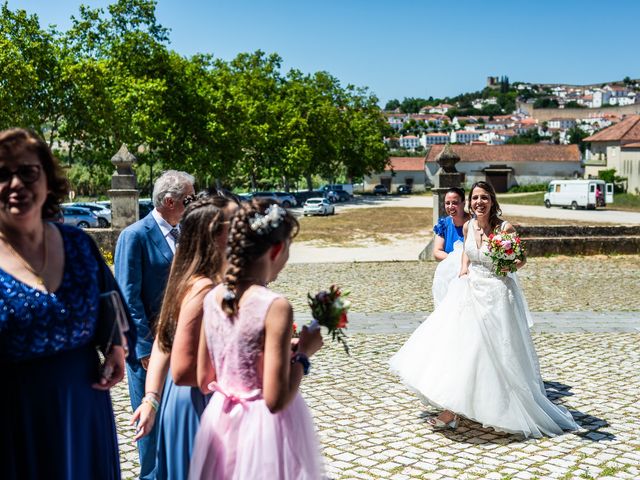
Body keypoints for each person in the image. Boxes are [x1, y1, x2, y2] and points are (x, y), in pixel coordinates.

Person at [390, 181, 578, 439]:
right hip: (468, 293)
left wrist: (503, 267)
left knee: (496, 354)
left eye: (484, 198)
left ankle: (500, 408)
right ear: (470, 202)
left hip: (497, 296)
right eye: (475, 198)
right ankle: (452, 410)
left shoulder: (505, 228)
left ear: (492, 201)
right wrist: (464, 269)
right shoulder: (468, 226)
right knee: (462, 351)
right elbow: (468, 252)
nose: (479, 202)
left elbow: (520, 260)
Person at [0, 128, 132, 479]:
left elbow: (108, 298)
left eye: (27, 172)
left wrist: (115, 347)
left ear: (47, 179)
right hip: (16, 421)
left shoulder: (78, 244)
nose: (16, 183)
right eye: (2, 174)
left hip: (84, 407)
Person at [189, 200, 325, 479]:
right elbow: (275, 399)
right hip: (264, 430)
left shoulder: (213, 297)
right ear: (276, 249)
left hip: (221, 420)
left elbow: (204, 379)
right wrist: (303, 355)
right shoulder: (274, 305)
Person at [131, 193, 238, 480]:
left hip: (193, 399)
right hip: (198, 402)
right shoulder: (202, 289)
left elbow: (163, 340)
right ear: (213, 235)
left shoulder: (195, 279)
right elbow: (179, 370)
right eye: (235, 222)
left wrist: (151, 398)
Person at [115, 169, 195, 479]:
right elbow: (127, 297)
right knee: (150, 429)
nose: (195, 202)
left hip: (183, 345)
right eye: (190, 198)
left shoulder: (187, 233)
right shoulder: (135, 236)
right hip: (150, 353)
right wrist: (145, 349)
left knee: (176, 427)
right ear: (170, 200)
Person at [431, 187, 470, 306]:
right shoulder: (443, 224)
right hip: (450, 273)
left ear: (464, 203)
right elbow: (437, 251)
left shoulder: (474, 222)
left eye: (455, 203)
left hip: (470, 271)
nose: (450, 206)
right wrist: (455, 260)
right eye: (447, 203)